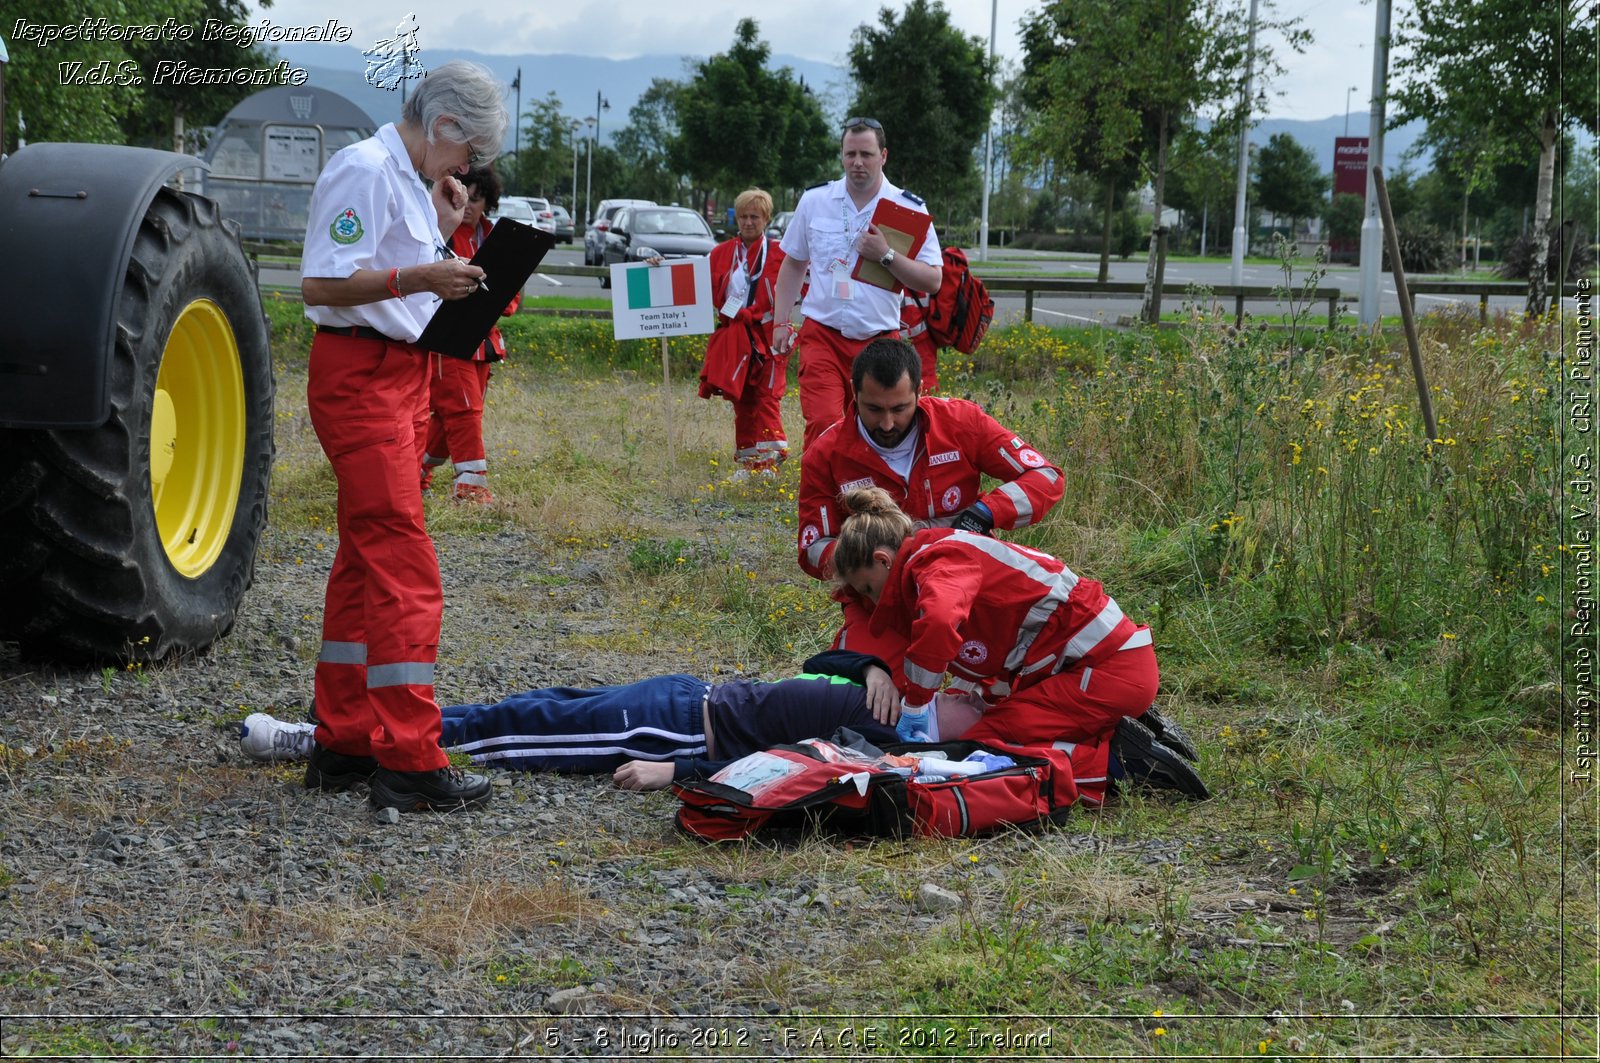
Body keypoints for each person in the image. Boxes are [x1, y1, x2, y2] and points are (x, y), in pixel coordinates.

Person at [299, 59, 508, 813]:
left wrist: (447, 236)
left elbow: (397, 270)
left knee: (364, 556)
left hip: (397, 374)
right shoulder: (361, 169)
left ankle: (346, 739)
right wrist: (423, 276)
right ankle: (411, 759)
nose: (467, 170)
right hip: (361, 376)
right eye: (468, 153)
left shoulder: (415, 185)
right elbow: (321, 285)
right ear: (445, 126)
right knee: (403, 560)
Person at [240, 650, 1198, 805]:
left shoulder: (903, 740)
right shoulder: (891, 690)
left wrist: (680, 775)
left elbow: (793, 761)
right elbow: (822, 669)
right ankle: (334, 730)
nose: (966, 692)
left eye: (973, 702)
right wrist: (865, 662)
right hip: (677, 692)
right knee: (519, 712)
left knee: (509, 734)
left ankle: (332, 743)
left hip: (673, 730)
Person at [830, 486, 1207, 798]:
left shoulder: (937, 561)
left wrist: (917, 703)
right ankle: (1122, 730)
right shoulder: (942, 552)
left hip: (1107, 671)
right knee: (998, 723)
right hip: (1106, 667)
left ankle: (1119, 764)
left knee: (985, 746)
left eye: (866, 588)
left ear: (882, 560)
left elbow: (942, 621)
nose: (871, 601)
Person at [796, 337, 1065, 669]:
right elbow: (811, 549)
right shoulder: (826, 454)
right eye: (874, 409)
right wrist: (866, 556)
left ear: (920, 391)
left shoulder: (959, 422)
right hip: (881, 605)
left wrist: (985, 513)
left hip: (968, 584)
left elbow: (1046, 477)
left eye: (899, 408)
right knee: (862, 691)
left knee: (1034, 669)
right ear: (854, 393)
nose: (887, 424)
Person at [770, 118, 945, 452]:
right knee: (823, 423)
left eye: (866, 154)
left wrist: (887, 255)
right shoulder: (815, 201)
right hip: (823, 333)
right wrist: (780, 321)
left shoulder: (908, 207)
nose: (857, 163)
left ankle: (870, 500)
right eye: (850, 154)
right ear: (841, 155)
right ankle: (820, 501)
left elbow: (933, 280)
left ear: (884, 156)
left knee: (880, 428)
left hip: (879, 338)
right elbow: (793, 263)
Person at [420, 167, 522, 504]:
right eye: (461, 198)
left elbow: (512, 292)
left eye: (475, 199)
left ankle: (416, 467)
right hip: (449, 336)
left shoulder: (496, 235)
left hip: (485, 339)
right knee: (465, 410)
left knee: (451, 413)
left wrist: (501, 300)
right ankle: (471, 487)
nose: (467, 206)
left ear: (487, 201)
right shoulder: (437, 233)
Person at [703, 188, 789, 480]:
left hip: (768, 334)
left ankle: (769, 462)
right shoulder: (720, 253)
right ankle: (748, 461)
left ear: (766, 218)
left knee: (767, 395)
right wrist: (658, 268)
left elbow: (805, 282)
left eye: (754, 216)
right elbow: (693, 280)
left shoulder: (781, 253)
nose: (748, 222)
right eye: (743, 217)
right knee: (742, 398)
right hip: (735, 334)